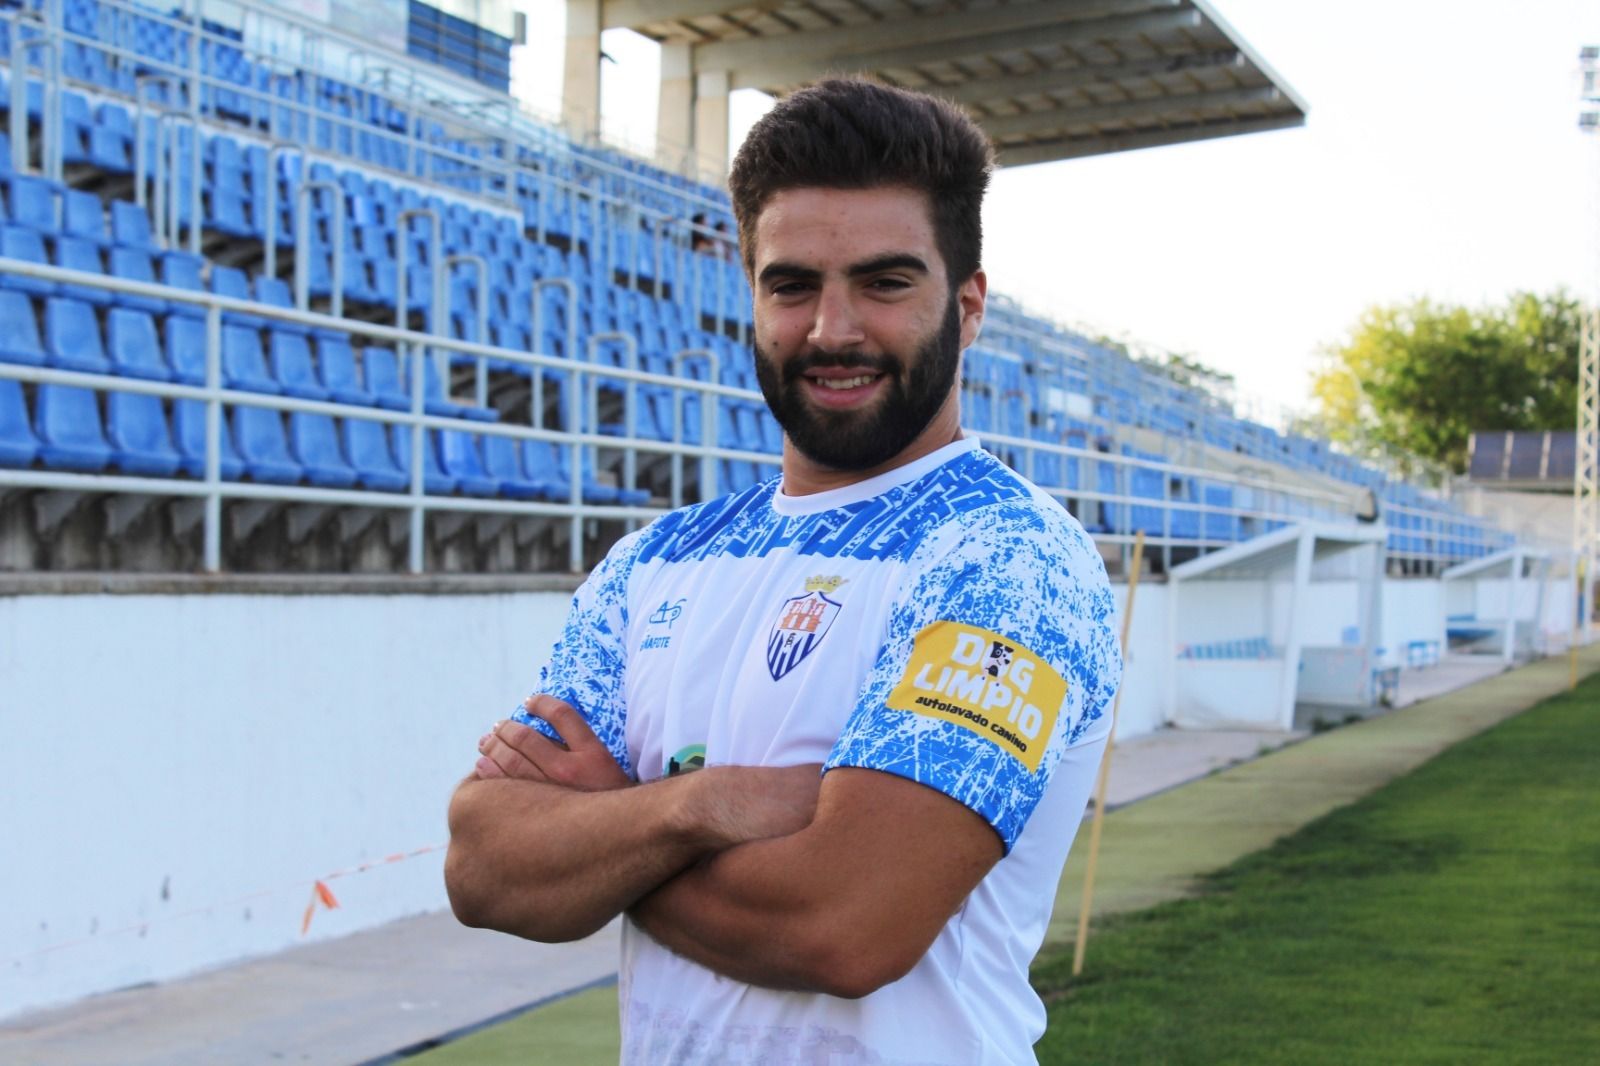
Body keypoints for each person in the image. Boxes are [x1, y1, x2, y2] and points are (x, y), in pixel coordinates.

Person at [445, 77, 1122, 1065]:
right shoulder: (654, 560)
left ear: (966, 307)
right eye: (792, 284)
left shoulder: (1008, 560)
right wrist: (702, 805)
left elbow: (843, 924)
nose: (831, 329)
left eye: (885, 283)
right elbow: (484, 866)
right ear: (751, 296)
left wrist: (604, 830)